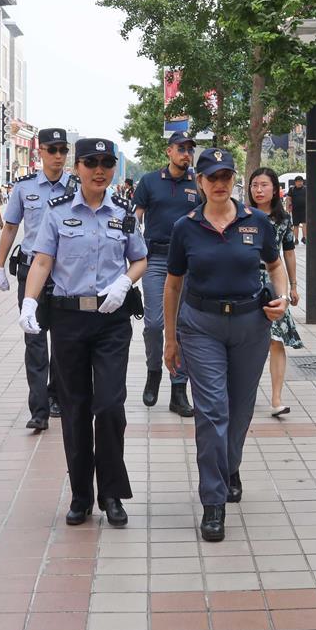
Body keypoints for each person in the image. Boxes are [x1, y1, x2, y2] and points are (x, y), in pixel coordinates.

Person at [20, 137, 147, 528]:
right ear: (78, 167)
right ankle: (80, 495)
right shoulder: (57, 212)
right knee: (74, 409)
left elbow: (140, 258)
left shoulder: (123, 211)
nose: (99, 169)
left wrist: (125, 283)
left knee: (109, 406)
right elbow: (42, 261)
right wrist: (29, 301)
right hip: (70, 321)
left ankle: (111, 492)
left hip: (111, 321)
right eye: (91, 162)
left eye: (107, 162)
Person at [163, 148, 288, 542]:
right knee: (212, 411)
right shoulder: (185, 227)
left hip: (251, 325)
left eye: (226, 176)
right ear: (199, 182)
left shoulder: (258, 222)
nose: (219, 184)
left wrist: (281, 299)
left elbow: (275, 265)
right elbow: (173, 284)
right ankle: (213, 501)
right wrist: (170, 338)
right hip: (201, 327)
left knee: (240, 407)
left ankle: (230, 464)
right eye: (211, 177)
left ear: (234, 180)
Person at [0, 128, 70, 432]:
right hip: (30, 273)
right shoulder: (24, 188)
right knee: (35, 341)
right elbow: (11, 227)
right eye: (51, 150)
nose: (57, 156)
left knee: (64, 341)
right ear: (39, 152)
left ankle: (55, 396)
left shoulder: (77, 187)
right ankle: (38, 408)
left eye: (62, 150)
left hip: (65, 275)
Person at [132, 131, 199, 417]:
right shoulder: (149, 181)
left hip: (187, 263)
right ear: (168, 152)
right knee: (154, 323)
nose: (186, 154)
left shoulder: (198, 183)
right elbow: (135, 219)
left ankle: (178, 389)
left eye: (189, 150)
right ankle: (153, 372)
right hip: (155, 260)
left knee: (182, 325)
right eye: (181, 149)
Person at [249, 168, 303, 416]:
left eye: (263, 185)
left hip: (273, 284)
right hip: (244, 282)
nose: (258, 190)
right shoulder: (242, 214)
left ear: (275, 190)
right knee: (245, 340)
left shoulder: (283, 219)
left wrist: (293, 285)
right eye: (254, 185)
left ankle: (276, 399)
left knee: (276, 339)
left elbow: (289, 252)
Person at [286, 176, 307, 244]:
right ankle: (296, 239)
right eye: (298, 181)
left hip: (304, 209)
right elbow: (288, 199)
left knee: (304, 223)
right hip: (295, 210)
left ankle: (304, 238)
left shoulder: (306, 189)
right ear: (295, 182)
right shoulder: (292, 189)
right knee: (296, 225)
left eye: (301, 181)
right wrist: (287, 209)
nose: (300, 183)